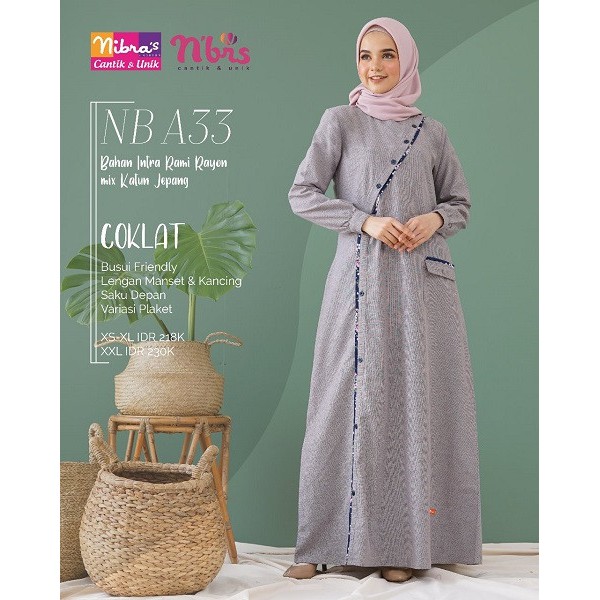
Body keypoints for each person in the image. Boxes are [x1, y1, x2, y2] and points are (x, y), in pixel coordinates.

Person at [284, 17, 482, 584]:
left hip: (422, 285)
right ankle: (318, 545)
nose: (375, 67)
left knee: (415, 405)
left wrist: (433, 219)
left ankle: (405, 547)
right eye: (366, 56)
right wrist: (364, 220)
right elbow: (301, 193)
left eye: (388, 55)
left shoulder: (432, 133)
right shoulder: (340, 122)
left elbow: (460, 203)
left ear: (407, 61)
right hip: (358, 280)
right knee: (339, 403)